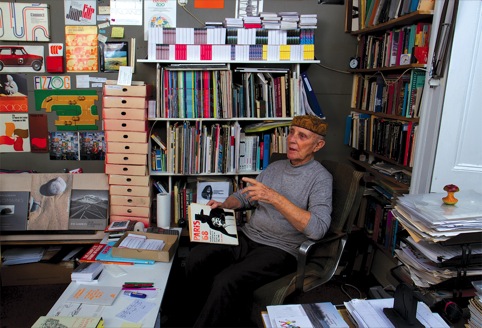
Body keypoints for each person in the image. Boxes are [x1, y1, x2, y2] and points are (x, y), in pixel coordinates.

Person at [185, 115, 333, 327]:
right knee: (197, 257)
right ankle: (194, 315)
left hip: (280, 249)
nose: (292, 139)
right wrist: (225, 204)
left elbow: (317, 229)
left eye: (302, 136)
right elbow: (245, 197)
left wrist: (274, 197)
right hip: (247, 236)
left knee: (226, 280)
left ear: (318, 145)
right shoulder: (275, 167)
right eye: (291, 132)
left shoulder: (321, 178)